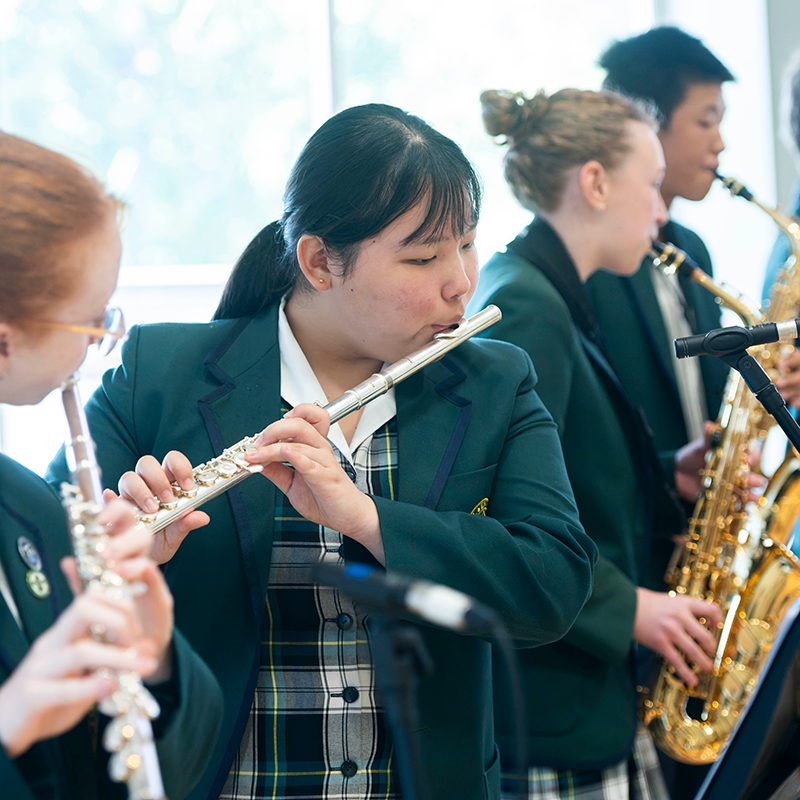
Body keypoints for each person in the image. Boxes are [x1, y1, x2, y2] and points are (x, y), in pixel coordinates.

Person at [46, 103, 597, 800]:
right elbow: (43, 575)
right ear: (318, 262)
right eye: (423, 257)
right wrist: (128, 561)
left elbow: (554, 587)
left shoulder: (495, 383)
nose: (460, 280)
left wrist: (369, 520)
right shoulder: (158, 376)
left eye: (467, 244)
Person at [469, 87, 722, 800]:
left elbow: (559, 470)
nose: (662, 212)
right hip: (556, 705)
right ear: (596, 183)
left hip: (579, 695)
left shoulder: (551, 291)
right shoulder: (527, 303)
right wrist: (632, 608)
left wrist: (665, 473)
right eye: (652, 184)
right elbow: (500, 516)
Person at [0, 132, 222, 798]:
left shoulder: (31, 506)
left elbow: (168, 760)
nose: (102, 343)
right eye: (92, 325)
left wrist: (154, 659)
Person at [586, 26, 734, 497]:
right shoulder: (592, 266)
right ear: (646, 124)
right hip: (639, 533)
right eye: (706, 121)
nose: (720, 143)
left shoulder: (693, 249)